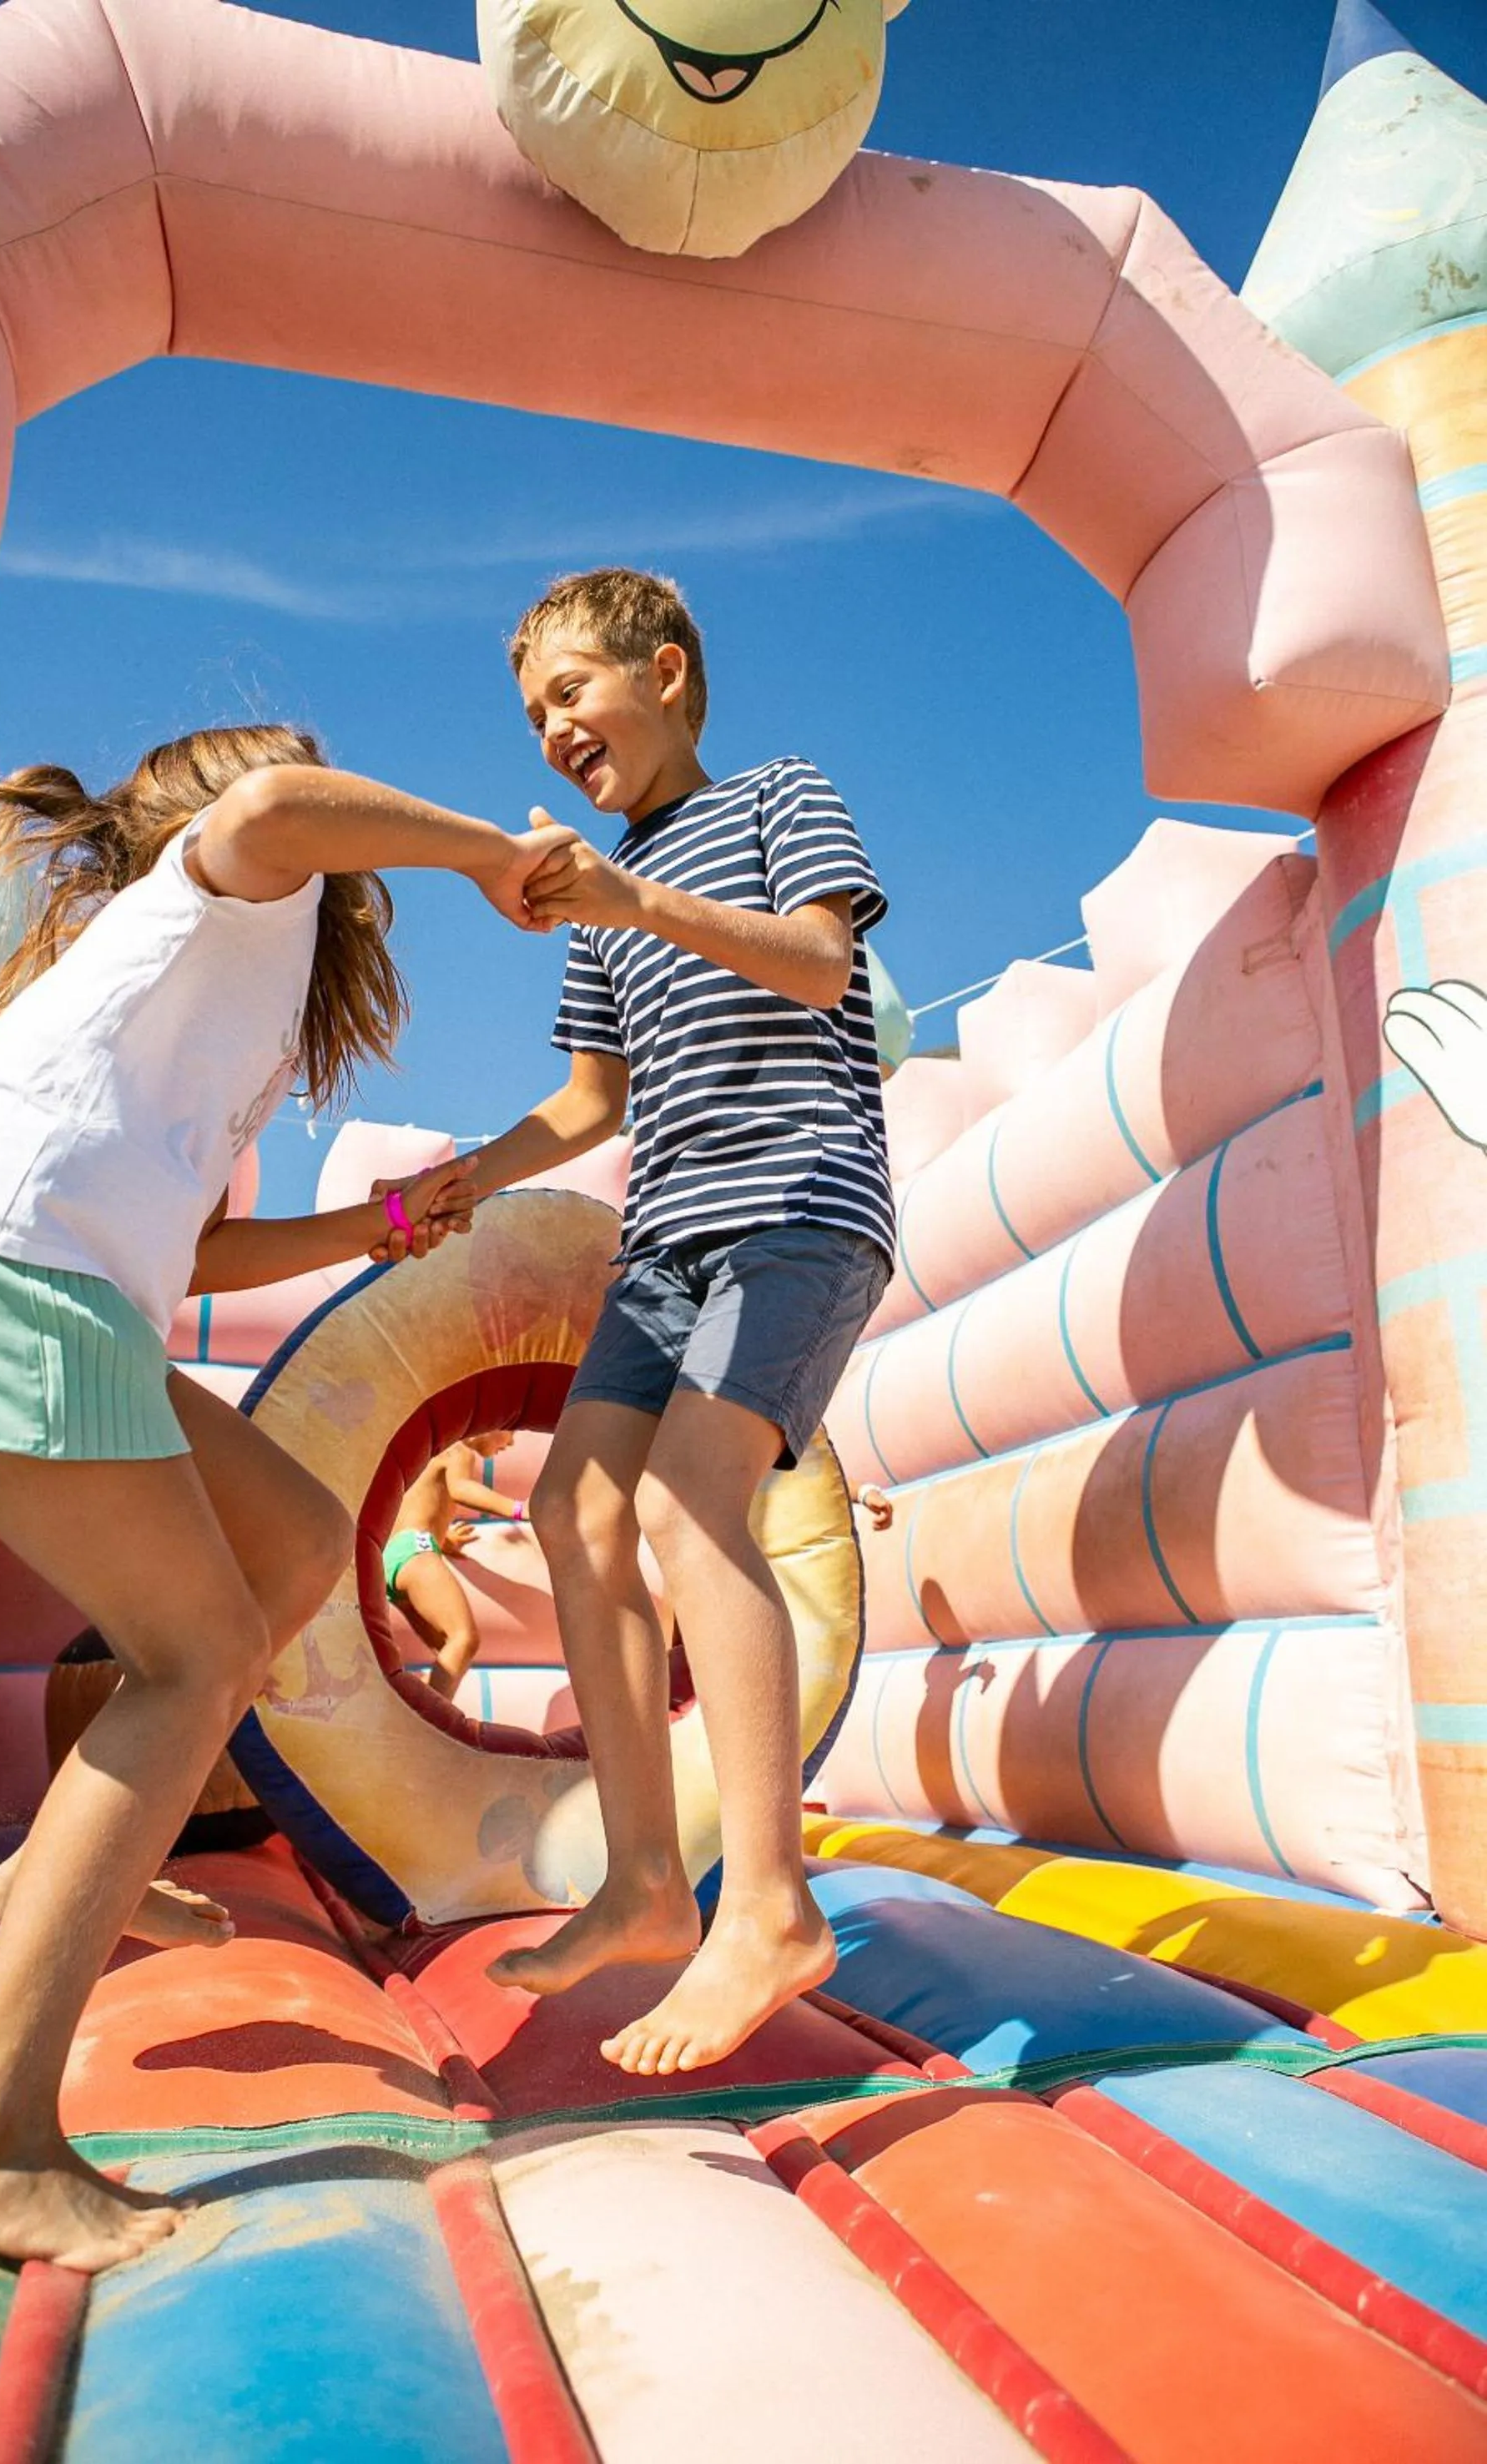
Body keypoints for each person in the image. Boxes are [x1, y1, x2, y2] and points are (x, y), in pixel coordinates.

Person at [0, 723, 569, 2272]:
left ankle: (58, 1861)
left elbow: (193, 1256)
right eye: (318, 776)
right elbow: (277, 802)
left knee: (299, 1543)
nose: (333, 792)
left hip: (51, 1275)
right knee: (194, 1652)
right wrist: (494, 854)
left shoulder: (198, 1006)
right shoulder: (221, 888)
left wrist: (365, 1227)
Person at [461, 568, 894, 2077]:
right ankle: (645, 1877)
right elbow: (589, 1102)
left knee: (680, 1494)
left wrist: (627, 893)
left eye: (568, 693)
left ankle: (767, 1906)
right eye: (530, 717)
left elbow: (817, 961)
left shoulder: (780, 794)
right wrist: (462, 1174)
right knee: (573, 1505)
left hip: (799, 1204)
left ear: (660, 672)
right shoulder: (596, 900)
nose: (550, 730)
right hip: (666, 1242)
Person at [384, 1431, 528, 1698]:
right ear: (490, 1421)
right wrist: (519, 1509)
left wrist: (443, 1539)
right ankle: (432, 1722)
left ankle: (420, 1701)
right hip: (414, 1550)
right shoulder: (457, 1449)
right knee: (464, 1639)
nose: (511, 1443)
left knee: (447, 1650)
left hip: (394, 1557)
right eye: (510, 1429)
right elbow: (460, 1490)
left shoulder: (431, 1451)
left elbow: (416, 1506)